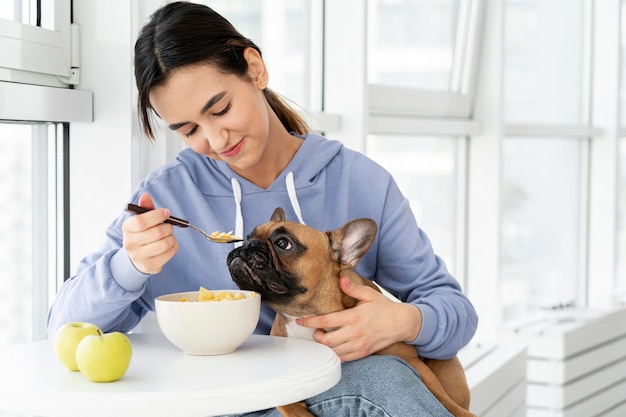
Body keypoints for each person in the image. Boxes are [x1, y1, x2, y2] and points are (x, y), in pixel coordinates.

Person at [47, 2, 478, 416]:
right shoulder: (165, 197)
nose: (216, 141)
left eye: (221, 109)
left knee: (384, 379)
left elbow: (456, 314)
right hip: (207, 404)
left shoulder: (359, 181)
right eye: (189, 130)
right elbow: (62, 330)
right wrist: (129, 265)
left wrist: (403, 322)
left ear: (255, 69)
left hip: (328, 396)